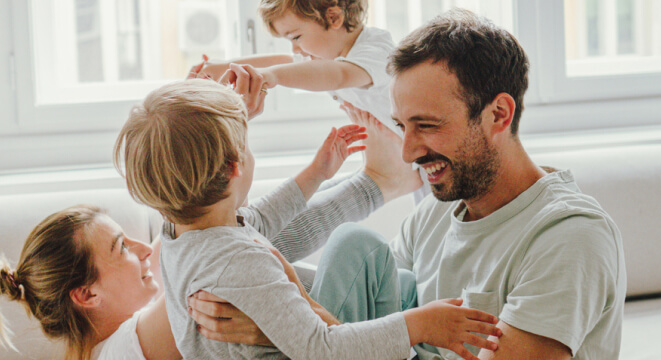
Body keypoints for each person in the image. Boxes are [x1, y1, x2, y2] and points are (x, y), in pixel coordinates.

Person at [195, 9, 628, 360]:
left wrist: (293, 328)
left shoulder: (569, 236)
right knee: (350, 244)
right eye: (401, 125)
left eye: (427, 125)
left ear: (499, 114)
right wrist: (287, 317)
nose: (407, 153)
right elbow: (366, 310)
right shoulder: (439, 209)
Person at [115, 79, 503, 360]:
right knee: (357, 246)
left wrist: (317, 172)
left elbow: (258, 218)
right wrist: (422, 325)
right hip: (318, 352)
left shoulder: (180, 236)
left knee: (395, 279)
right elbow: (321, 348)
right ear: (235, 166)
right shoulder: (240, 263)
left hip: (299, 341)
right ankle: (416, 344)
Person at [193, 0, 425, 201]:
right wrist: (225, 66)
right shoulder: (334, 52)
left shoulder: (375, 50)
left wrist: (273, 75)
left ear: (333, 18)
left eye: (296, 37)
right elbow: (287, 60)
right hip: (413, 161)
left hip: (432, 155)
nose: (295, 47)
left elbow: (337, 75)